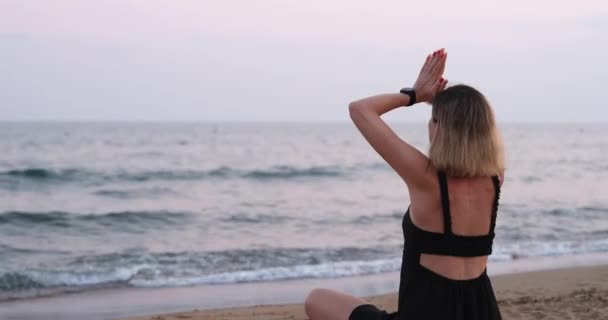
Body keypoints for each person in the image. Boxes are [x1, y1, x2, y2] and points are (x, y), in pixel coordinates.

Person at [304, 48, 505, 320]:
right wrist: (441, 105)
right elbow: (473, 128)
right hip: (483, 313)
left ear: (441, 128)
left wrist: (413, 95)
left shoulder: (425, 177)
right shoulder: (495, 178)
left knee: (317, 300)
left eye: (432, 120)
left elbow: (360, 110)